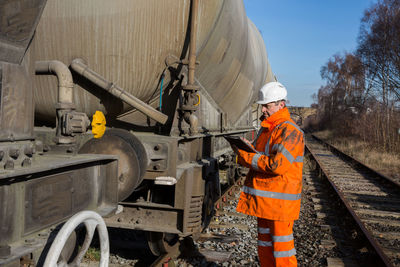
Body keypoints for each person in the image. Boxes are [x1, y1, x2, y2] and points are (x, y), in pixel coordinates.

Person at [231, 82, 304, 267]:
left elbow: (276, 165)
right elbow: (259, 156)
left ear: (281, 105)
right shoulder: (267, 128)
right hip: (265, 204)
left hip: (280, 206)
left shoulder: (291, 131)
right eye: (262, 105)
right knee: (265, 248)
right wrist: (248, 149)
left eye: (267, 105)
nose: (263, 109)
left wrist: (247, 157)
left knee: (283, 253)